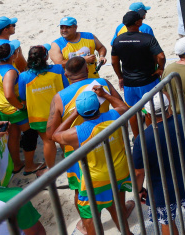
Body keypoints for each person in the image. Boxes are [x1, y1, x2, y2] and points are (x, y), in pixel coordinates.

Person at [52, 86, 133, 233]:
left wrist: (74, 113)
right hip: (120, 172)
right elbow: (123, 106)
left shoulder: (77, 133)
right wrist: (106, 95)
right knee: (116, 206)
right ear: (98, 106)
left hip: (95, 181)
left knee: (89, 216)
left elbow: (55, 135)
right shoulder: (115, 116)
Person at [131, 93, 185, 235]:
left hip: (162, 190)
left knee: (166, 222)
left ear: (148, 115)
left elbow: (139, 172)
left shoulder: (142, 139)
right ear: (168, 106)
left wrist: (139, 191)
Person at [0, 40, 38, 175]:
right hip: (14, 110)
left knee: (13, 136)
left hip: (2, 109)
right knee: (30, 134)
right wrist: (21, 106)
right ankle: (30, 165)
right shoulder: (10, 71)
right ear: (14, 55)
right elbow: (9, 94)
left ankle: (17, 165)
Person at [111, 10, 165, 134]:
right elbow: (161, 56)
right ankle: (152, 135)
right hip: (148, 81)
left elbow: (114, 62)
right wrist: (160, 68)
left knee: (132, 112)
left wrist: (120, 76)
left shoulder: (118, 40)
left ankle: (137, 138)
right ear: (138, 22)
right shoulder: (147, 38)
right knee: (150, 110)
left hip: (129, 83)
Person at [17, 45, 68, 172]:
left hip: (38, 115)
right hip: (59, 111)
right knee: (62, 136)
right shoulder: (57, 69)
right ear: (46, 57)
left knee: (47, 141)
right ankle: (69, 161)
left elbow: (23, 96)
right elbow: (66, 87)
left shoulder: (24, 76)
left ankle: (50, 169)